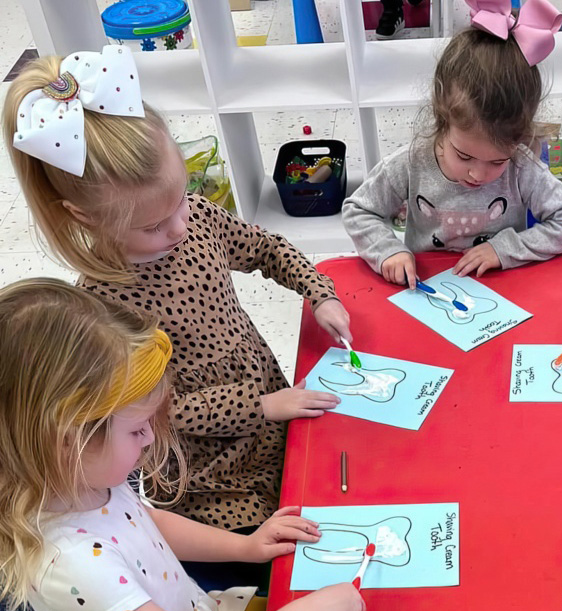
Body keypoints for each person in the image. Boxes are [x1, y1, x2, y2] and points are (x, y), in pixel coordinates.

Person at [3, 46, 348, 530]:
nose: (181, 227)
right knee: (282, 548)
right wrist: (260, 407)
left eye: (182, 201)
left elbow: (265, 248)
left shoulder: (196, 217)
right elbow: (155, 410)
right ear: (84, 217)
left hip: (272, 414)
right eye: (152, 225)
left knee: (327, 482)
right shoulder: (101, 309)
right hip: (210, 478)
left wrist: (320, 292)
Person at [0, 279, 365, 611]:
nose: (150, 439)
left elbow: (148, 522)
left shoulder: (84, 479)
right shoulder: (72, 561)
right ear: (66, 440)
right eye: (138, 428)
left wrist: (244, 546)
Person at [344, 0, 562, 288]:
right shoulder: (412, 161)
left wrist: (504, 249)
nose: (478, 174)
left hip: (504, 291)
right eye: (464, 156)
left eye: (498, 161)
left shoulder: (522, 166)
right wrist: (388, 251)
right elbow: (359, 210)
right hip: (425, 289)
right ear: (442, 120)